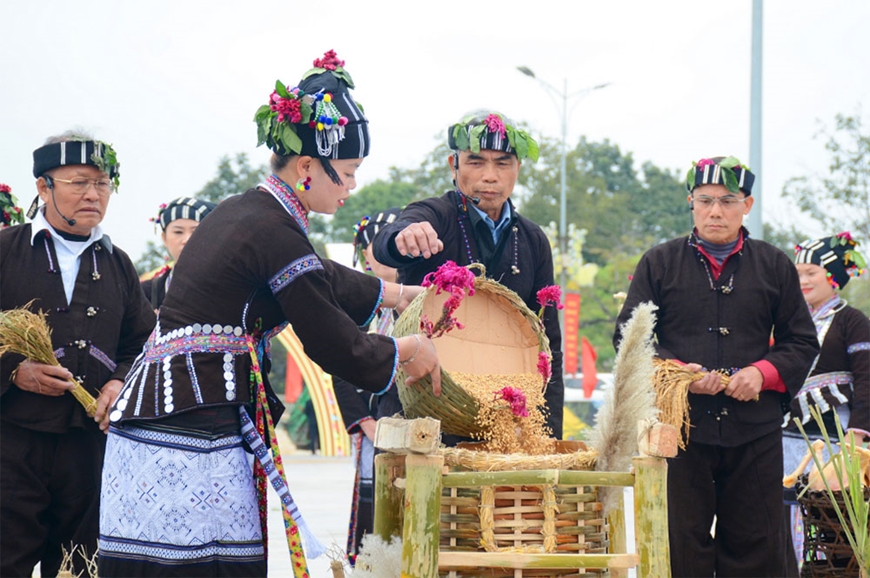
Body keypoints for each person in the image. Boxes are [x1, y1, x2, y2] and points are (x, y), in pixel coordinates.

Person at [98, 51, 440, 577]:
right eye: (346, 175)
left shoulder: (252, 210)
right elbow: (330, 340)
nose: (351, 188)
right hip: (191, 423)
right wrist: (407, 348)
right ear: (308, 167)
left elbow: (318, 277)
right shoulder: (273, 228)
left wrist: (404, 296)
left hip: (173, 413)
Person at [613, 156, 819, 577]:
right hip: (679, 432)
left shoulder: (774, 264)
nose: (715, 211)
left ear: (748, 205)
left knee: (757, 544)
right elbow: (629, 340)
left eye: (728, 201)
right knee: (679, 543)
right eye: (705, 200)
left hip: (755, 431)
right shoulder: (659, 263)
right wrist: (678, 375)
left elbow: (801, 340)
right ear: (691, 203)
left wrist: (762, 373)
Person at [0, 133, 155, 577]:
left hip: (89, 446)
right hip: (13, 441)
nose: (93, 194)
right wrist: (14, 371)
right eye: (78, 182)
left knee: (81, 565)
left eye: (103, 184)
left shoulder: (118, 263)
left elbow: (141, 343)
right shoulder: (7, 251)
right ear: (43, 187)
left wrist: (118, 381)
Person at [371, 110, 564, 439]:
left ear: (517, 169)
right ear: (453, 165)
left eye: (502, 163)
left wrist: (549, 437)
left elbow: (549, 345)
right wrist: (404, 235)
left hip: (497, 421)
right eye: (476, 161)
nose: (490, 176)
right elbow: (385, 244)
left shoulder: (532, 240)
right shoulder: (435, 215)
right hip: (420, 413)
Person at [782, 232, 869, 567]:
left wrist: (856, 439)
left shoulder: (852, 321)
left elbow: (867, 380)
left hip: (836, 441)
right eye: (798, 273)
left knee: (830, 522)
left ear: (833, 277)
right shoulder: (788, 321)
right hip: (788, 440)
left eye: (811, 273)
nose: (802, 280)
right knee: (787, 513)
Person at [332, 208, 400, 564]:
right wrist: (365, 423)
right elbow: (339, 365)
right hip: (375, 423)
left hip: (415, 422)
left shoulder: (424, 299)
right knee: (376, 508)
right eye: (374, 246)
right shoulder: (358, 306)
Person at [141, 196, 217, 309]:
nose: (186, 240)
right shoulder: (146, 292)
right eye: (178, 232)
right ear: (164, 238)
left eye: (196, 231)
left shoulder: (229, 285)